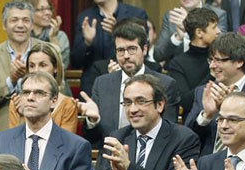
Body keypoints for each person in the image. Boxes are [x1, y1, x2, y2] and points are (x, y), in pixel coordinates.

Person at [0, 72, 93, 170]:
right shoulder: (4, 140)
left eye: (39, 93)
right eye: (26, 92)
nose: (30, 97)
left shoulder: (76, 146)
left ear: (53, 101)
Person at [77, 19, 180, 149]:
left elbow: (169, 134)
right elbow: (92, 140)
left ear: (144, 49)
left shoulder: (165, 84)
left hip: (150, 159)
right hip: (110, 158)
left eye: (132, 49)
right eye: (120, 50)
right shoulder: (102, 83)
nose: (126, 56)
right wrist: (93, 121)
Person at [184, 32, 245, 155]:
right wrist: (206, 116)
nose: (212, 66)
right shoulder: (205, 91)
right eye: (211, 60)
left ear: (239, 62)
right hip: (207, 165)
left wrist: (230, 109)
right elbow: (188, 138)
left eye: (219, 60)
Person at [0, 1, 43, 137]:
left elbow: (59, 89)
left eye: (25, 20)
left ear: (32, 24)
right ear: (4, 25)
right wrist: (11, 81)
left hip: (42, 128)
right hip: (4, 131)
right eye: (14, 20)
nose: (20, 25)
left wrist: (31, 76)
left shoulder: (45, 50)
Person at [71, 0, 147, 99]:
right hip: (92, 83)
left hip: (129, 79)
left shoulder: (136, 13)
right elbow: (76, 62)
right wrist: (87, 42)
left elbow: (143, 49)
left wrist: (118, 34)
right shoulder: (85, 17)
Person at [8, 42, 78, 133]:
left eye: (42, 65)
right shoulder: (16, 103)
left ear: (55, 68)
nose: (36, 70)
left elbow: (66, 145)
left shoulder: (68, 105)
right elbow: (13, 143)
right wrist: (23, 116)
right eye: (32, 66)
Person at [167, 8, 221, 118]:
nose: (218, 31)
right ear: (199, 33)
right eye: (214, 27)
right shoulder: (177, 63)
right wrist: (211, 76)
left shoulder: (221, 57)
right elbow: (185, 102)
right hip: (195, 121)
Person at [154, 0, 227, 64]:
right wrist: (177, 38)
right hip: (177, 69)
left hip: (207, 68)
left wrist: (189, 24)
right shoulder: (172, 16)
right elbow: (158, 55)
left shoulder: (218, 14)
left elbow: (222, 48)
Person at [29, 0, 70, 68]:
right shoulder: (25, 37)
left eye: (49, 9)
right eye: (41, 9)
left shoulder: (60, 36)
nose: (47, 13)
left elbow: (62, 67)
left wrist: (53, 38)